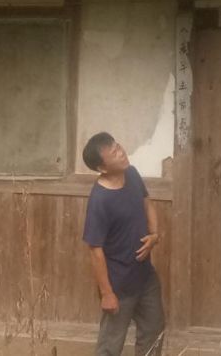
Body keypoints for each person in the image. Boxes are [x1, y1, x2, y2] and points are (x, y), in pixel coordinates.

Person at [82, 132, 164, 356]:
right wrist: (107, 293)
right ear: (102, 168)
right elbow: (95, 250)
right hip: (118, 285)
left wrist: (155, 235)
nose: (121, 153)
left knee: (154, 332)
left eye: (118, 147)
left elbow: (147, 203)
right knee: (110, 346)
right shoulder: (100, 200)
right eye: (114, 153)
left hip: (145, 276)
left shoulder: (132, 174)